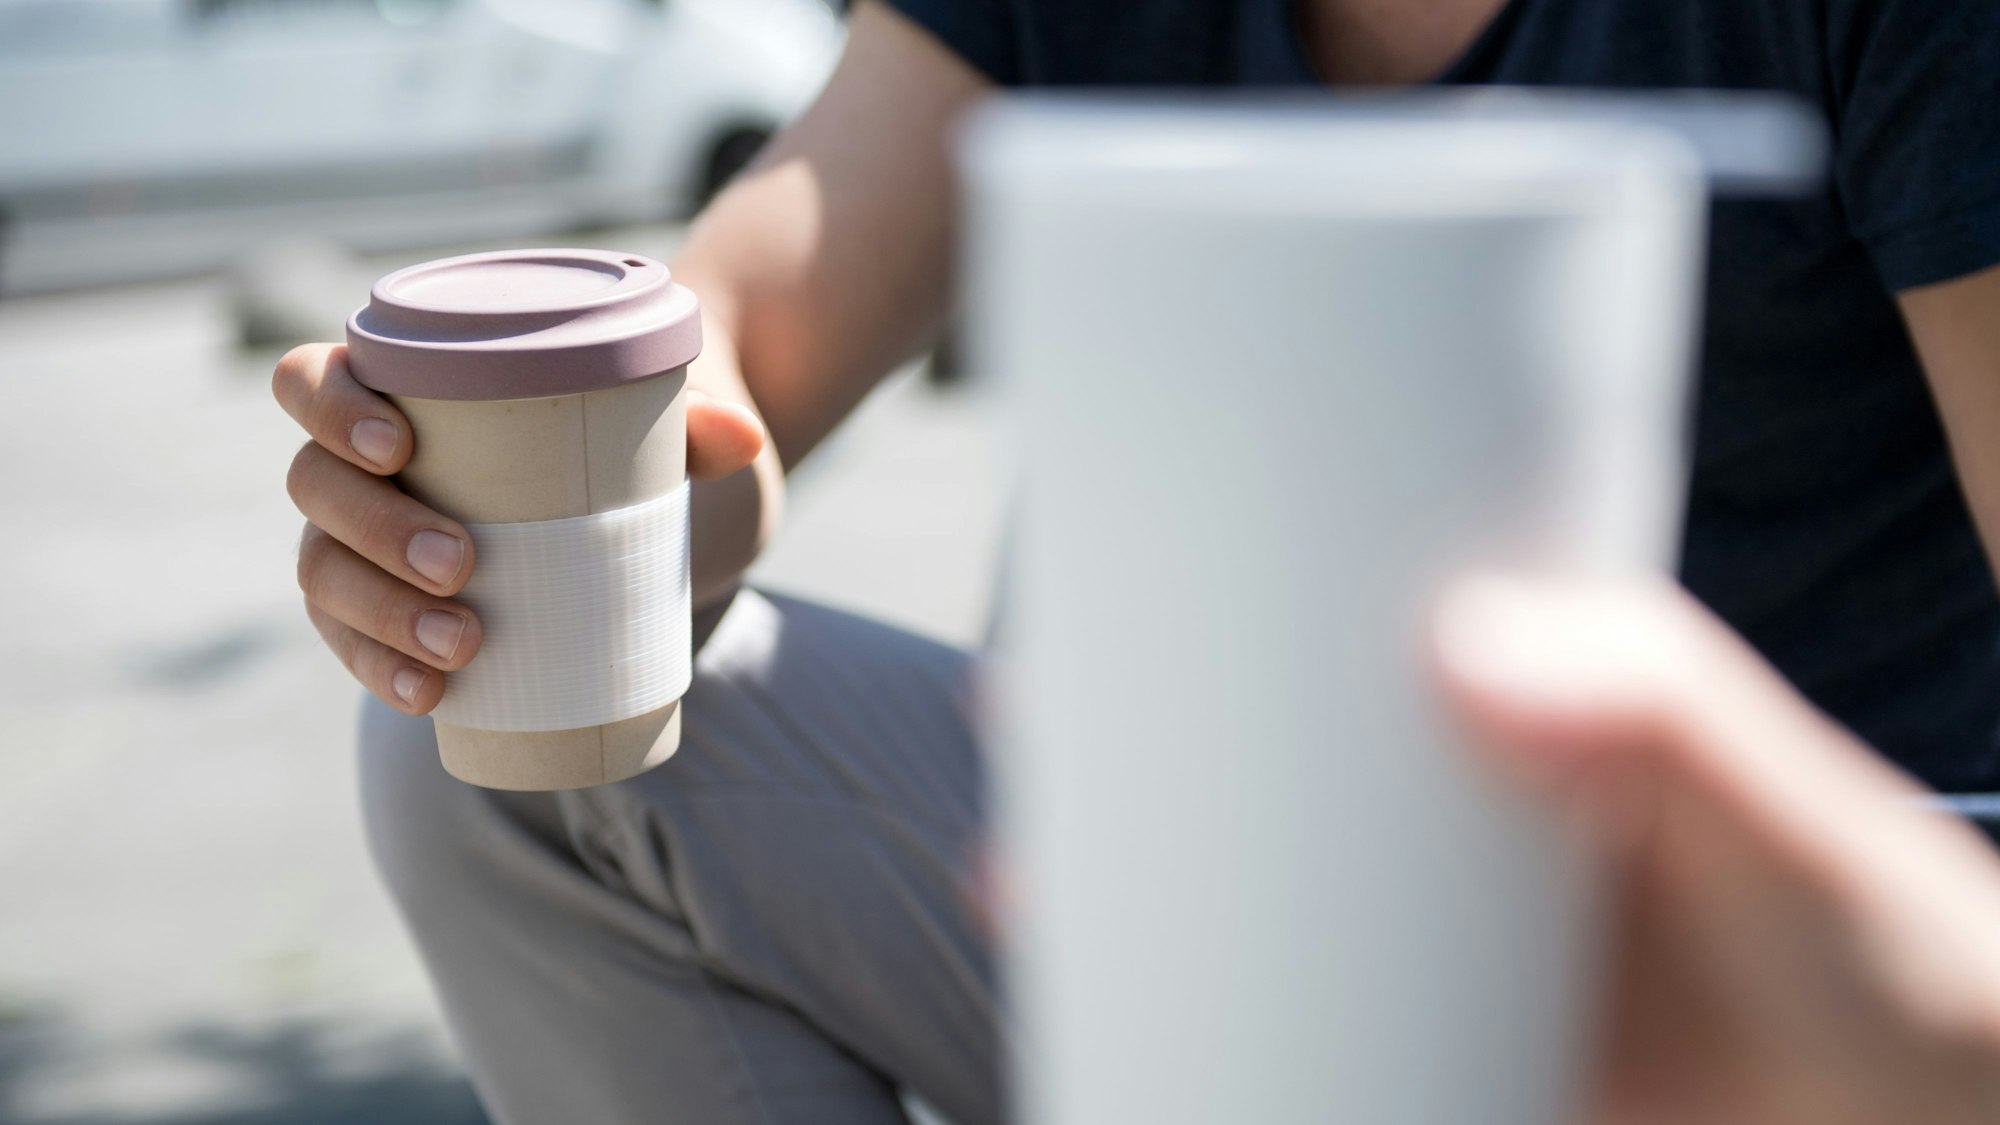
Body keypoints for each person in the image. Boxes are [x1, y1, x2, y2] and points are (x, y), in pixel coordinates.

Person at [270, 1, 2000, 1121]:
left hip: (1777, 983)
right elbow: (745, 338)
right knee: (518, 744)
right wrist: (542, 500)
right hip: (1197, 910)